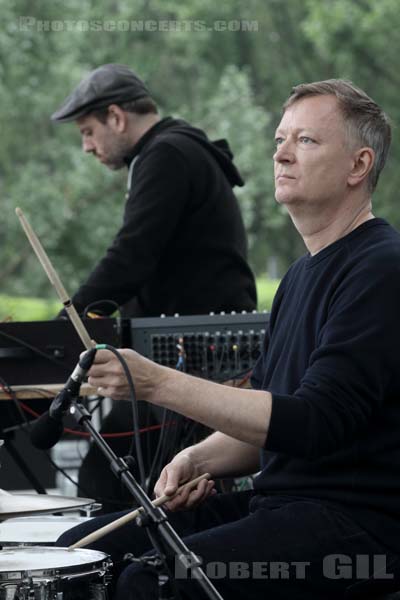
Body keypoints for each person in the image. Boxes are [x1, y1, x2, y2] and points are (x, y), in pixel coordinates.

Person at [58, 79, 400, 599]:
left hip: (357, 529)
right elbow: (263, 422)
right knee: (81, 551)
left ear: (358, 166)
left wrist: (155, 382)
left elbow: (313, 423)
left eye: (306, 141)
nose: (281, 154)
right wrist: (196, 460)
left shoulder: (381, 268)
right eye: (279, 140)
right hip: (283, 506)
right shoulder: (299, 276)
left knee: (150, 584)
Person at [51, 64, 257, 510]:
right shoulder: (173, 151)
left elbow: (131, 256)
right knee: (112, 477)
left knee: (108, 482)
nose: (87, 146)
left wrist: (62, 327)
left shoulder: (167, 155)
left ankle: (137, 577)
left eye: (88, 131)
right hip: (182, 353)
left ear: (116, 117)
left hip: (195, 359)